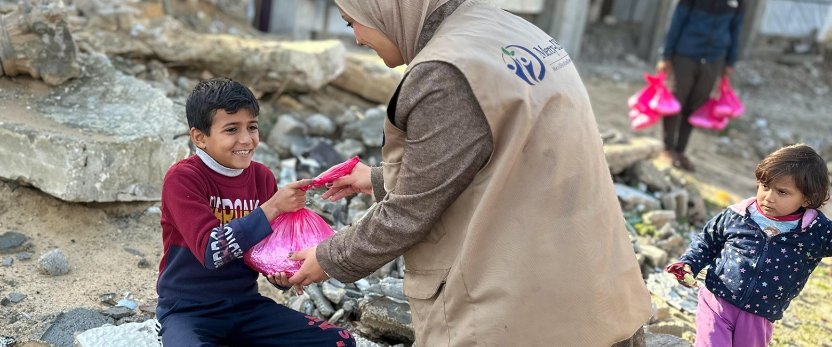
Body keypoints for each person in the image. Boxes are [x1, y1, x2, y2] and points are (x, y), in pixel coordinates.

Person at [288, 1, 652, 345]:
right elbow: (498, 155)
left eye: (351, 20)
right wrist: (379, 179)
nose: (357, 37)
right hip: (599, 289)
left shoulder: (444, 73)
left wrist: (328, 258)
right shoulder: (508, 30)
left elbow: (410, 213)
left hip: (527, 316)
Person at [156, 77, 355, 346]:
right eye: (231, 129)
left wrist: (282, 276)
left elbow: (267, 252)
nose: (246, 139)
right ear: (200, 137)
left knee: (339, 341)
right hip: (189, 311)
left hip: (246, 306)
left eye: (252, 127)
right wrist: (273, 207)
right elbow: (211, 252)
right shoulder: (183, 178)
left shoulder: (261, 177)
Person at [665, 144, 830, 347]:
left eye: (782, 192)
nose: (769, 197)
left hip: (759, 314)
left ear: (807, 198)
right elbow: (706, 241)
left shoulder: (816, 232)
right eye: (765, 186)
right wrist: (689, 263)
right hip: (716, 300)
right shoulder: (737, 215)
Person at [657, 0, 746, 171]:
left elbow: (736, 28)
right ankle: (667, 149)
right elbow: (677, 21)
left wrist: (731, 61)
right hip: (685, 53)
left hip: (715, 58)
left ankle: (681, 150)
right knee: (675, 102)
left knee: (697, 106)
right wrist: (665, 55)